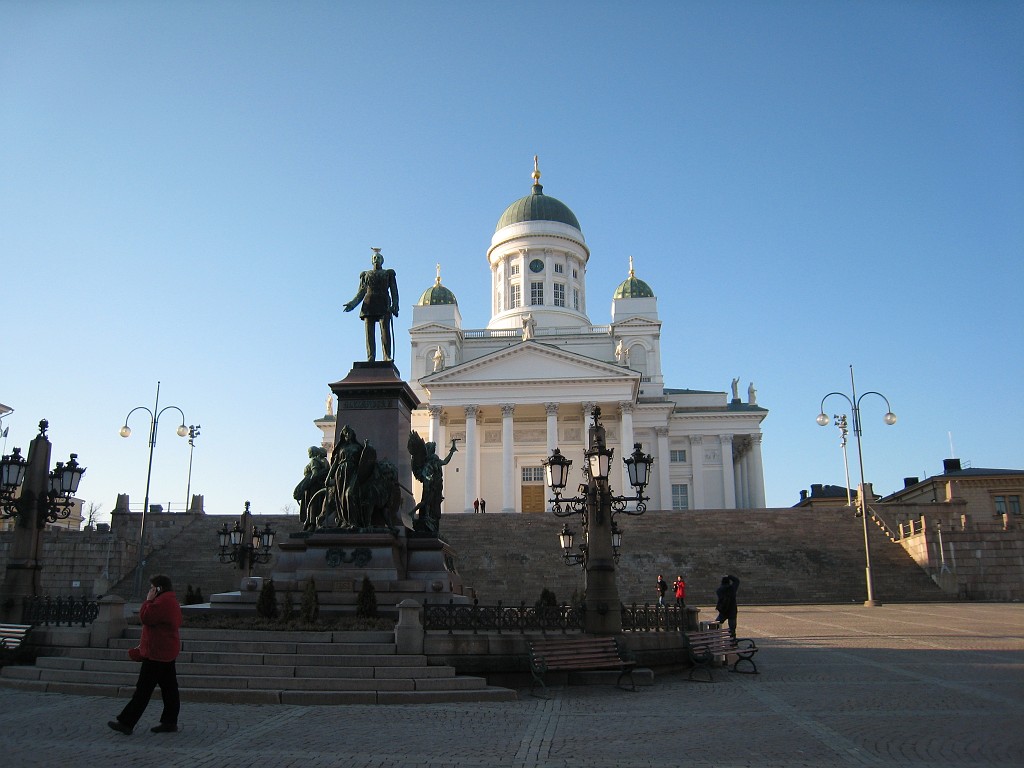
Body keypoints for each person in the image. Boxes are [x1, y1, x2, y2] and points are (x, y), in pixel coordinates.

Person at [108, 574, 182, 735]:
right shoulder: (170, 600)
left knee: (143, 690)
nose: (150, 590)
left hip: (157, 653)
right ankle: (170, 722)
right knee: (170, 689)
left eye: (152, 588)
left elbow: (146, 617)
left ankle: (126, 722)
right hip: (165, 650)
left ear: (159, 589)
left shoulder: (162, 602)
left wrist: (148, 600)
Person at [344, 247, 400, 362]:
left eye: (378, 258)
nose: (376, 259)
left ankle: (386, 356)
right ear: (372, 260)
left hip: (384, 303)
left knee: (385, 331)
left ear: (382, 260)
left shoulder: (388, 273)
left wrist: (395, 305)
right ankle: (370, 357)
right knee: (369, 333)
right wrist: (352, 304)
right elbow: (361, 291)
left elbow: (394, 290)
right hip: (369, 303)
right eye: (374, 258)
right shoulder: (366, 274)